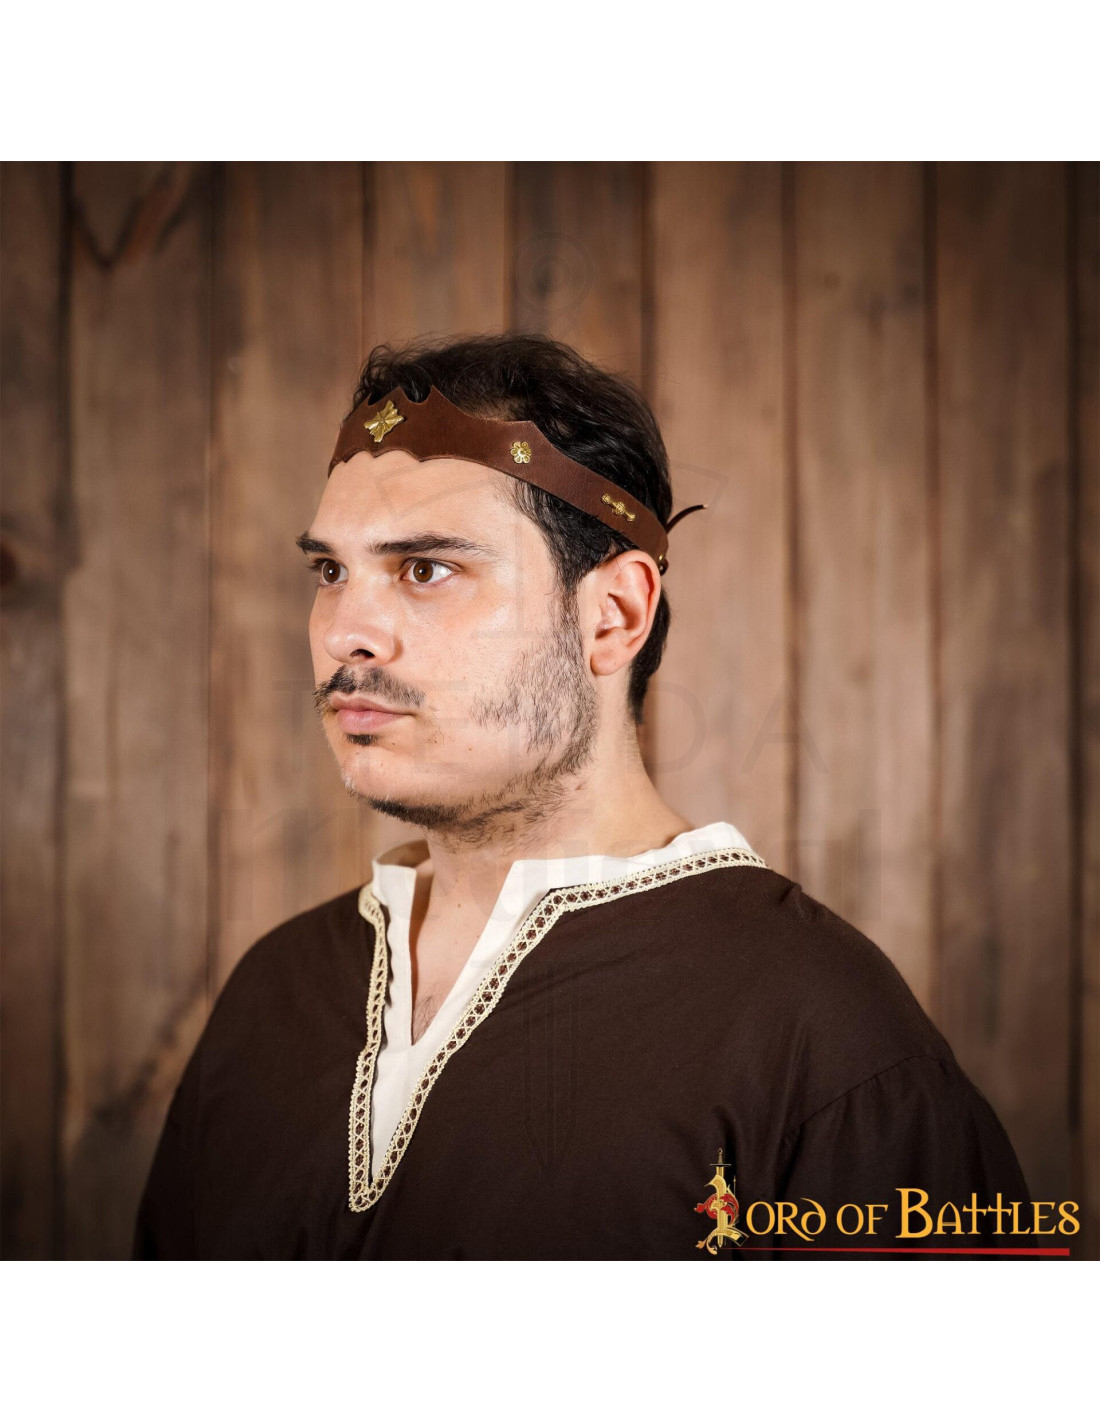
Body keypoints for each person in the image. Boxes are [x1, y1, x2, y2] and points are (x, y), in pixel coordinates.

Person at [133, 332, 1029, 1260]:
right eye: (330, 572)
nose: (345, 632)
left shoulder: (828, 1042)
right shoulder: (273, 994)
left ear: (613, 616)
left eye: (426, 569)